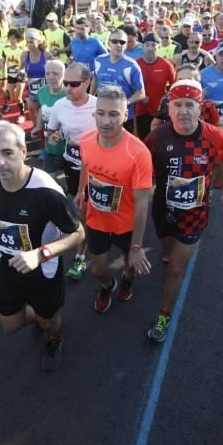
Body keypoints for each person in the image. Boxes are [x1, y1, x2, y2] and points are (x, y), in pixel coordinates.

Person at [0, 121, 85, 372]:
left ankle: (55, 336)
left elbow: (78, 234)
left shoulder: (47, 191)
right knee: (9, 326)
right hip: (8, 264)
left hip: (43, 269)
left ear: (23, 151)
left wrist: (40, 254)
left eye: (7, 152)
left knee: (49, 320)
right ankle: (40, 316)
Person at [144, 80, 223, 342]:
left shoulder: (215, 135)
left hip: (194, 216)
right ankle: (169, 253)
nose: (184, 111)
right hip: (162, 210)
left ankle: (164, 315)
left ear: (200, 107)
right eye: (178, 105)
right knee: (166, 250)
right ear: (169, 108)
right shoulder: (157, 137)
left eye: (190, 105)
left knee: (175, 268)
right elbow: (143, 172)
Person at [74, 85, 153, 314]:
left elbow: (142, 204)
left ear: (125, 114)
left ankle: (127, 279)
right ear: (94, 112)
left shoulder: (138, 153)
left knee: (130, 263)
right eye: (101, 113)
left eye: (114, 114)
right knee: (97, 270)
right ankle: (108, 285)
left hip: (126, 224)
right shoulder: (87, 140)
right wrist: (81, 190)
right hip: (97, 219)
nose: (105, 121)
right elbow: (85, 166)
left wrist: (137, 246)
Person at [46, 63, 98, 280]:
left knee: (99, 211)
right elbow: (51, 132)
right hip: (73, 167)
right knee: (82, 212)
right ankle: (80, 256)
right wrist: (54, 137)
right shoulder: (59, 106)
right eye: (65, 83)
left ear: (87, 83)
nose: (67, 88)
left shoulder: (98, 106)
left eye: (73, 84)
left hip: (98, 170)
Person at [92, 29, 146, 132]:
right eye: (115, 41)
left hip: (122, 116)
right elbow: (95, 78)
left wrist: (125, 102)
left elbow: (141, 93)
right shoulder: (98, 60)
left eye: (122, 42)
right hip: (102, 113)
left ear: (126, 45)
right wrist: (91, 98)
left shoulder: (132, 65)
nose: (118, 44)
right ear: (108, 43)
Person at [136, 33, 176, 140]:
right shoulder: (135, 64)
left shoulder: (166, 65)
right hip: (138, 110)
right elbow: (128, 86)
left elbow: (174, 87)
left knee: (157, 140)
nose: (150, 48)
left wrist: (166, 97)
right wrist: (139, 96)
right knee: (141, 139)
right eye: (147, 45)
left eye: (153, 45)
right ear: (142, 47)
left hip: (158, 112)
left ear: (158, 47)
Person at [32, 60, 66, 176]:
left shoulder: (70, 94)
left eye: (56, 74)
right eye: (48, 73)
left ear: (64, 75)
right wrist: (38, 126)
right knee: (51, 178)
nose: (51, 77)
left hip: (67, 149)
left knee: (72, 185)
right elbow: (42, 110)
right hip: (49, 147)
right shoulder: (41, 92)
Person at [22, 28, 47, 127]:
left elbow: (55, 69)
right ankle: (36, 127)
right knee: (32, 108)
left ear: (39, 41)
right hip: (32, 88)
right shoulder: (24, 55)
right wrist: (21, 74)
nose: (29, 45)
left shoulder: (46, 54)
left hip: (46, 88)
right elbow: (21, 68)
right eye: (27, 42)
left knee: (45, 111)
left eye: (31, 42)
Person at [2, 29, 27, 122]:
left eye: (14, 38)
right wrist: (3, 71)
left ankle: (22, 115)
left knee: (18, 97)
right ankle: (23, 102)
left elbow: (24, 63)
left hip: (20, 75)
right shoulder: (5, 49)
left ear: (18, 39)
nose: (12, 40)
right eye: (10, 38)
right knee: (12, 99)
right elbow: (4, 62)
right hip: (10, 75)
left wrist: (19, 68)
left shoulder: (22, 50)